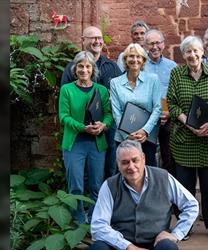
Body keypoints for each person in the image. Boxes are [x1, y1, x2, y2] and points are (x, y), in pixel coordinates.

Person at [87, 140, 199, 250]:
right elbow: (98, 226)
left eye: (135, 160)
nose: (131, 166)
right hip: (121, 248)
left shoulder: (163, 178)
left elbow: (191, 205)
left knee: (168, 248)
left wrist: (176, 234)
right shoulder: (109, 186)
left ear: (143, 158)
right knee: (97, 249)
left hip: (155, 246)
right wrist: (129, 247)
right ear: (118, 164)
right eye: (125, 162)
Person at [167, 35, 208, 244]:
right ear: (183, 55)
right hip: (185, 139)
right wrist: (187, 122)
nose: (192, 55)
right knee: (184, 186)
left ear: (202, 52)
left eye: (195, 50)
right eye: (188, 52)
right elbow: (172, 105)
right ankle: (186, 224)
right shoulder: (176, 74)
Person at [61, 26, 122, 180]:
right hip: (80, 129)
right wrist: (82, 126)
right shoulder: (71, 69)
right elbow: (65, 104)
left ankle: (107, 197)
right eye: (93, 38)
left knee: (110, 163)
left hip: (108, 126)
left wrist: (106, 123)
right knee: (81, 173)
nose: (97, 41)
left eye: (99, 38)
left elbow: (121, 95)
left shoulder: (112, 66)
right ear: (83, 41)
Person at [59, 51, 113, 224]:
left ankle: (96, 221)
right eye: (80, 66)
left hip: (97, 145)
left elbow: (109, 115)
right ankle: (79, 222)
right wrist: (83, 128)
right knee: (76, 186)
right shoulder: (67, 90)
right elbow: (64, 117)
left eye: (88, 66)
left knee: (96, 186)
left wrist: (103, 125)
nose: (84, 70)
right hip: (74, 144)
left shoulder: (101, 90)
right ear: (75, 69)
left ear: (93, 69)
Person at [110, 43, 162, 167]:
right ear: (125, 60)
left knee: (149, 173)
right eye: (131, 56)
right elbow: (116, 112)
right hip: (123, 138)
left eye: (138, 57)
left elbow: (157, 108)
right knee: (127, 173)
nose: (135, 60)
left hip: (147, 137)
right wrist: (128, 136)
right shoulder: (115, 83)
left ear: (143, 60)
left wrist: (145, 131)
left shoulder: (153, 80)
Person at [143, 29, 177, 174]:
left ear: (163, 44)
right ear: (145, 46)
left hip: (167, 116)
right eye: (151, 43)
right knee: (148, 156)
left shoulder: (172, 66)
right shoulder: (141, 65)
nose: (154, 47)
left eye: (158, 43)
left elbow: (176, 93)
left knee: (169, 157)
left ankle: (169, 191)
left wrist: (168, 112)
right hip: (147, 116)